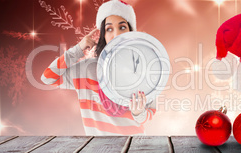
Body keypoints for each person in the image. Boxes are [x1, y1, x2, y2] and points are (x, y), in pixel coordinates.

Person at [41, 0, 155, 135]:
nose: (116, 34)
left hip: (134, 146)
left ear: (131, 32)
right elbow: (48, 78)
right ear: (103, 36)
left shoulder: (144, 69)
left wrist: (138, 113)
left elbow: (150, 113)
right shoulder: (87, 70)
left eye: (122, 27)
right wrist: (78, 49)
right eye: (109, 29)